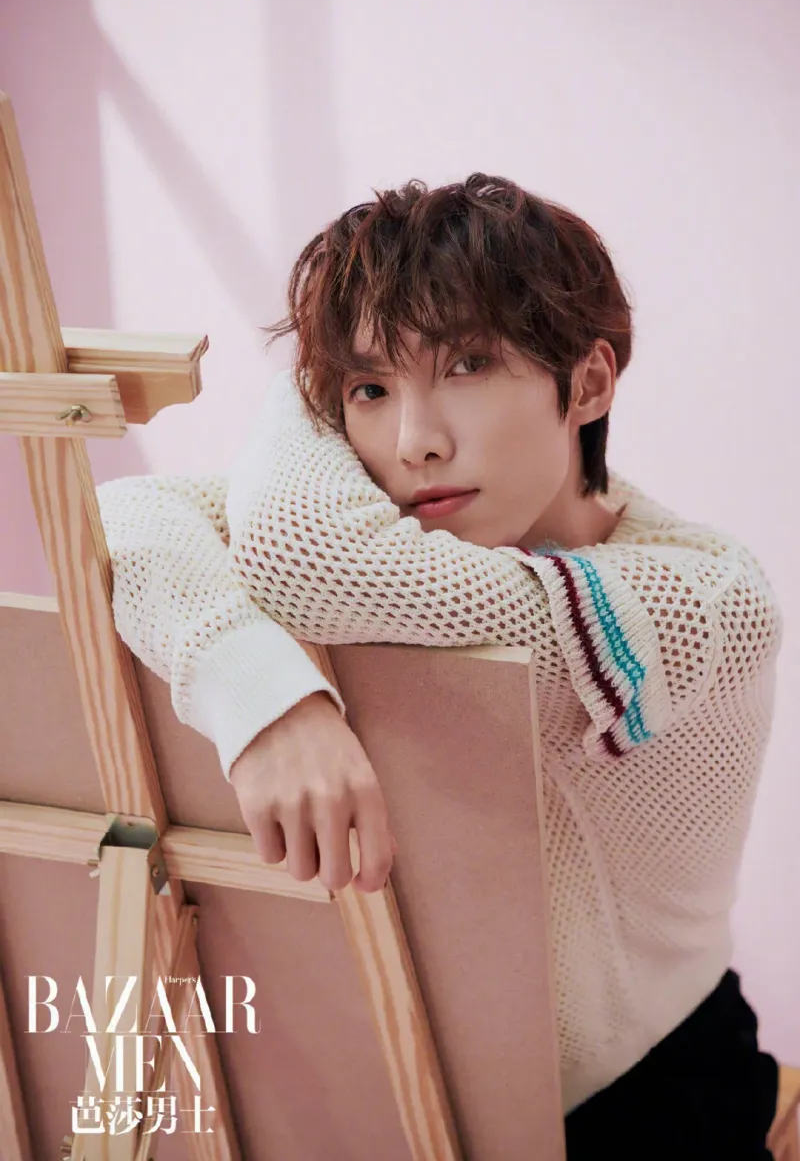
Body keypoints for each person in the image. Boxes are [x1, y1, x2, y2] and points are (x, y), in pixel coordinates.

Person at [97, 174, 783, 1157]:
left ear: (588, 383)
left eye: (467, 363)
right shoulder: (409, 548)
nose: (414, 443)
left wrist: (317, 371)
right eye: (369, 391)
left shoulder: (702, 601)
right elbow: (125, 518)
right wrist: (268, 704)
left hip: (647, 1105)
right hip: (429, 1104)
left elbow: (307, 559)